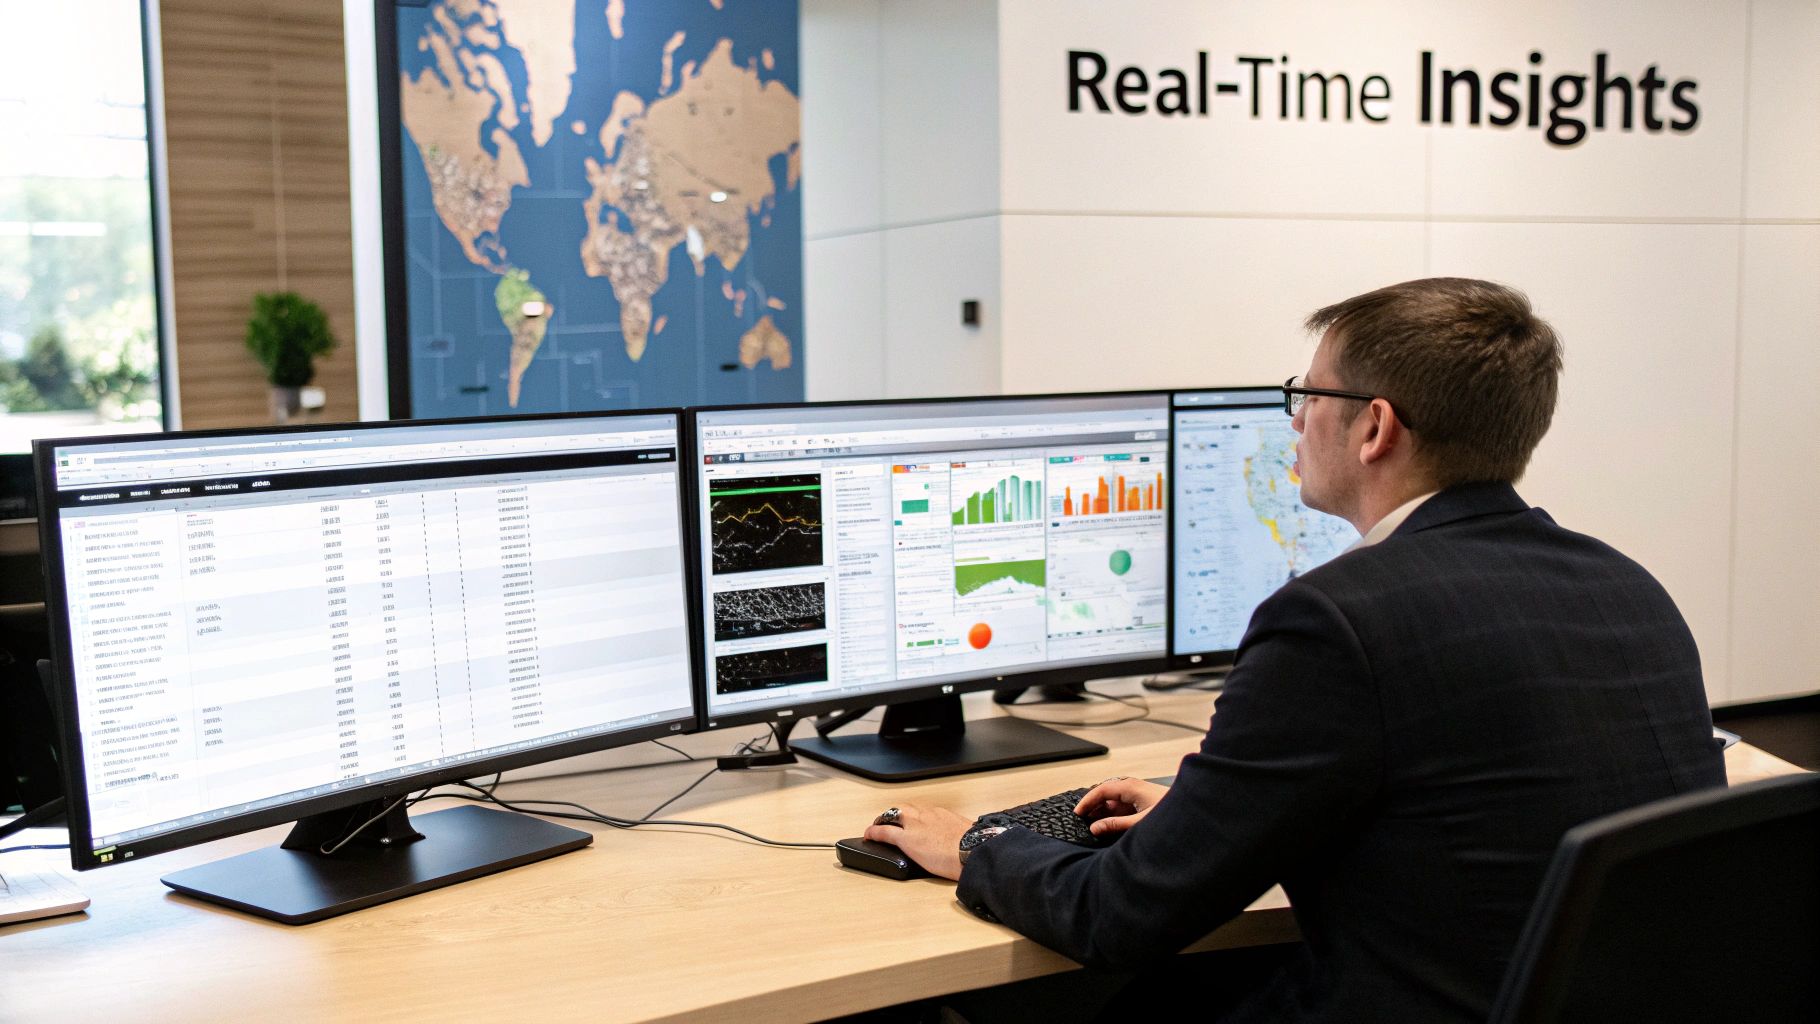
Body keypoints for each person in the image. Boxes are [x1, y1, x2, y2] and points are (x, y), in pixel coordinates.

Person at [860, 278, 1726, 1021]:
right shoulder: (1628, 586)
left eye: (1308, 396)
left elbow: (1118, 918)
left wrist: (980, 843)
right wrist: (1213, 816)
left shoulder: (1335, 620)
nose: (1298, 419)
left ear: (1374, 427)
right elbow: (1470, 815)